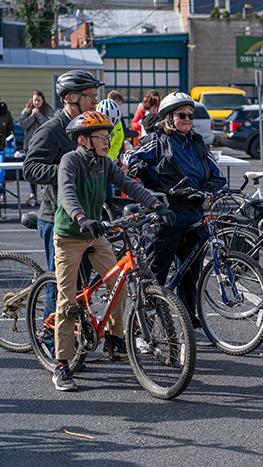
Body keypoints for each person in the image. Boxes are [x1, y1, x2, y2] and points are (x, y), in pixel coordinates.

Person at [51, 111, 174, 392]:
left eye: (108, 136)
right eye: (101, 137)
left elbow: (128, 184)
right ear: (83, 140)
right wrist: (82, 218)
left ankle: (115, 340)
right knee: (67, 301)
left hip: (96, 235)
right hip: (71, 235)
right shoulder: (70, 161)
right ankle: (61, 365)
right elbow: (67, 193)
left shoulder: (104, 163)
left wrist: (155, 204)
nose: (107, 141)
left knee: (117, 282)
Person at [124, 92, 226, 327]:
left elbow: (216, 174)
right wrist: (149, 176)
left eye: (190, 115)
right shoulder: (157, 139)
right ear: (169, 118)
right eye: (182, 115)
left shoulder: (197, 142)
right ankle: (143, 328)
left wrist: (210, 189)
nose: (188, 119)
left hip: (194, 214)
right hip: (165, 215)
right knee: (154, 274)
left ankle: (188, 322)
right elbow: (130, 157)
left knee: (191, 273)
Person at [24, 70, 104, 291]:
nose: (95, 100)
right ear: (69, 98)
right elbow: (30, 169)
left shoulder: (89, 126)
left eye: (95, 94)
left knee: (83, 288)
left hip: (86, 218)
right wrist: (68, 171)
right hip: (56, 219)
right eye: (89, 95)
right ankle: (50, 327)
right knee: (63, 288)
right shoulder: (51, 130)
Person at [19, 90, 54, 206]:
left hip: (45, 145)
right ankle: (33, 194)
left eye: (39, 100)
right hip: (29, 145)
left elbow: (49, 124)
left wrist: (38, 114)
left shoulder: (48, 110)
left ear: (43, 100)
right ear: (32, 100)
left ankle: (45, 193)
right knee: (31, 170)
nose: (37, 102)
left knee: (44, 169)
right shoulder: (27, 110)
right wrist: (32, 115)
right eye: (35, 100)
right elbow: (23, 124)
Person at [0, 99, 14, 204]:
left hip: (2, 147)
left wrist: (8, 137)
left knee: (1, 173)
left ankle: (2, 194)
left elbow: (10, 127)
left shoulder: (5, 112)